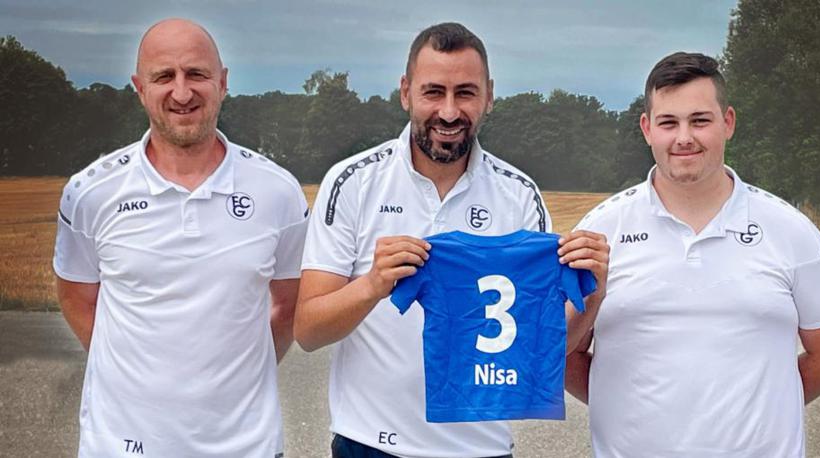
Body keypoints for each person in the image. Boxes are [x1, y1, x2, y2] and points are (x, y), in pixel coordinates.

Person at [295, 22, 608, 457]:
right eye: (433, 92)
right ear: (405, 92)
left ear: (488, 96)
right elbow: (308, 331)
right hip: (369, 443)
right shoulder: (352, 181)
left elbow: (544, 347)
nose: (448, 111)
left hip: (481, 448)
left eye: (465, 93)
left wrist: (593, 293)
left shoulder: (519, 195)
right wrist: (372, 285)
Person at [566, 52, 820, 457]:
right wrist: (622, 406)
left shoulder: (792, 230)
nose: (684, 137)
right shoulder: (599, 231)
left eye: (700, 120)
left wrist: (768, 410)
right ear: (647, 129)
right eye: (669, 123)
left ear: (728, 122)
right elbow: (563, 353)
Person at [53, 18, 308, 457]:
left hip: (246, 446)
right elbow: (78, 300)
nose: (182, 92)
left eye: (196, 74)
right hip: (121, 446)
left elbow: (287, 307)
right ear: (139, 88)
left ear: (223, 83)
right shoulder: (90, 192)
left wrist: (226, 381)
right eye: (164, 77)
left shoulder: (278, 191)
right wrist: (140, 377)